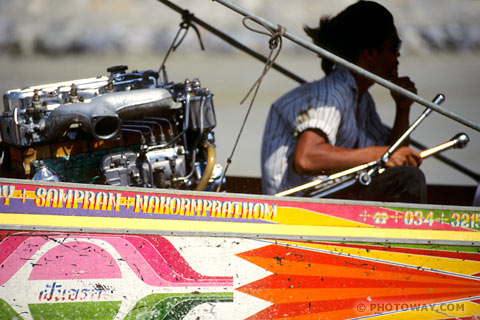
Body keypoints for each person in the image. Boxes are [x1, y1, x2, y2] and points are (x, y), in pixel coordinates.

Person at [261, 0, 426, 203]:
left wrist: (403, 110)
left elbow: (395, 158)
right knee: (409, 180)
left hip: (329, 198)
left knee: (405, 174)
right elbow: (306, 158)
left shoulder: (362, 100)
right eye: (394, 46)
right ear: (370, 53)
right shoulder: (334, 92)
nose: (398, 55)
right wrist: (381, 154)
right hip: (298, 206)